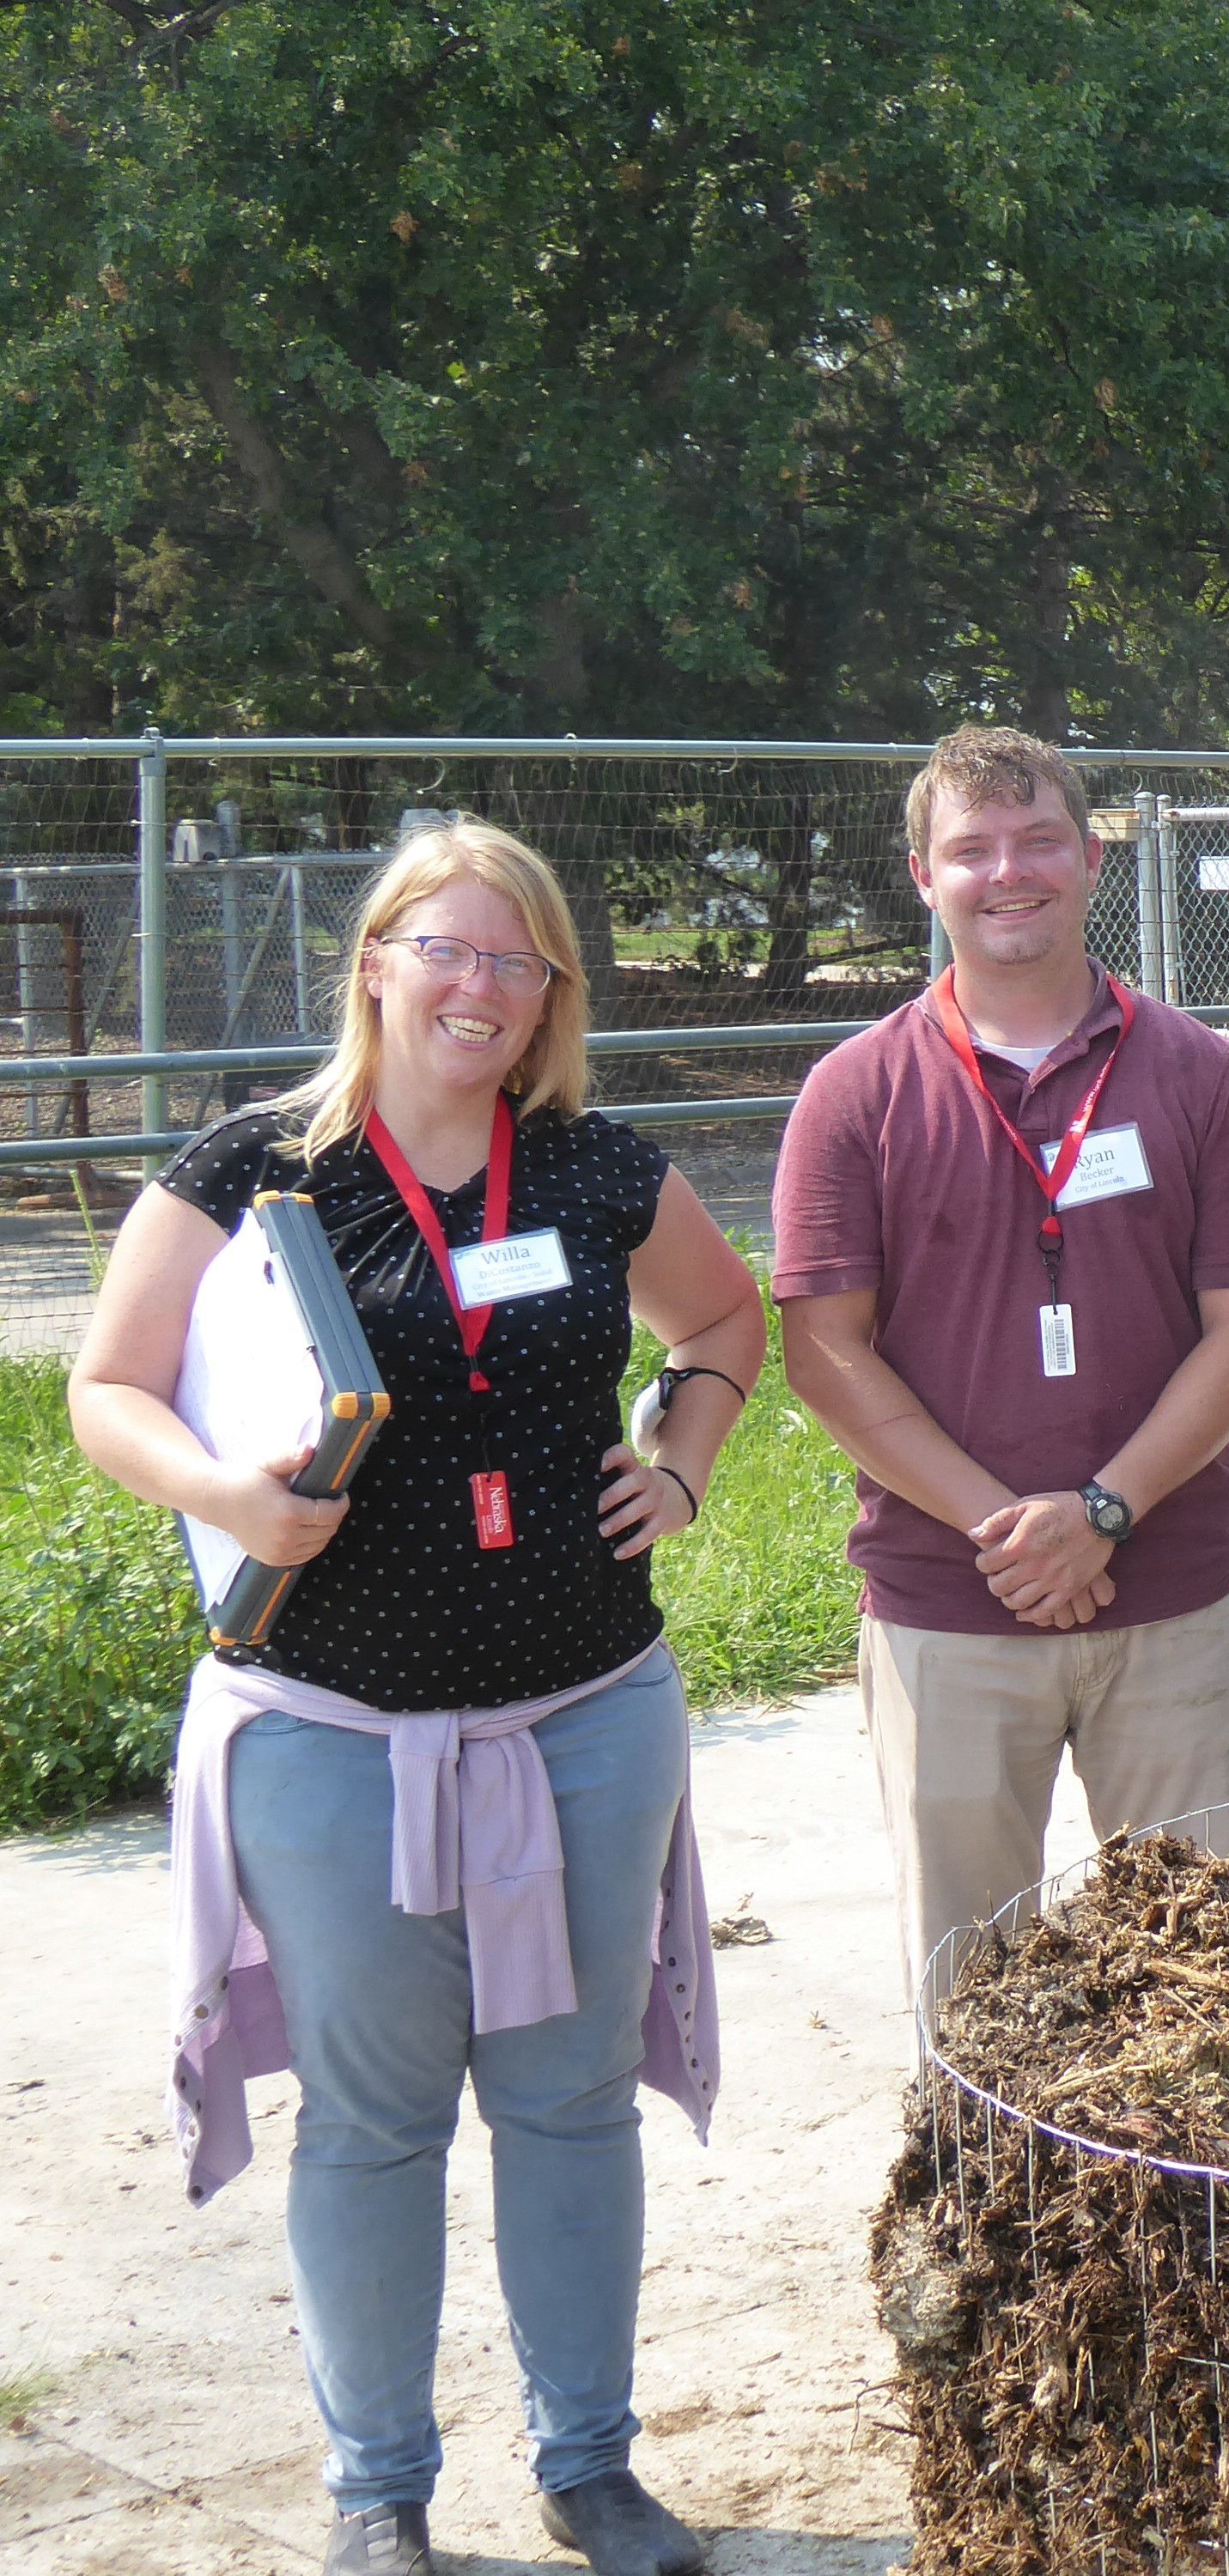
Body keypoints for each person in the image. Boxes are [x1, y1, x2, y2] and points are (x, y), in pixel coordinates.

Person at [72, 820, 765, 2576]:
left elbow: (725, 1328)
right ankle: (377, 2492)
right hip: (332, 1731)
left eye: (515, 962)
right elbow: (110, 1389)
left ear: (550, 996)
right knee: (375, 2120)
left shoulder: (595, 1171)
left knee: (566, 2099)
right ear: (374, 958)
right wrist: (226, 1498)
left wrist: (676, 1469)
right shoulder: (253, 1169)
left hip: (587, 1716)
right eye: (447, 950)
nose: (479, 988)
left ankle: (589, 2464)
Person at [773, 726, 1229, 1985]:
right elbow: (826, 1357)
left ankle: (1201, 2197)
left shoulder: (1200, 1072)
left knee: (1202, 1979)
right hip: (949, 1607)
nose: (1007, 873)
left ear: (1091, 858)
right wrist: (1014, 1534)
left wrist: (1110, 1511)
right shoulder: (856, 1092)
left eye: (1038, 841)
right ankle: (973, 2190)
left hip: (1171, 1591)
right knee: (970, 1982)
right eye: (971, 849)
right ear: (923, 876)